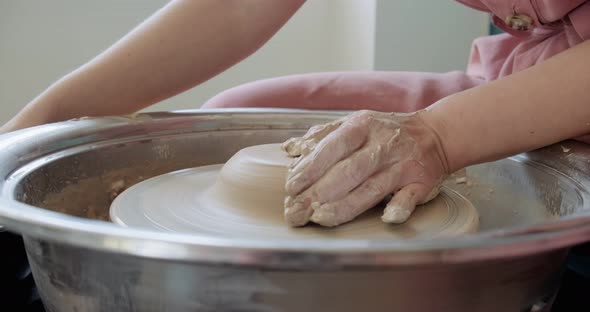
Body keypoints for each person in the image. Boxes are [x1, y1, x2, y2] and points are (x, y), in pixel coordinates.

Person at [1, 0, 590, 311]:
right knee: (238, 113)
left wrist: (439, 137)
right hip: (527, 67)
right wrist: (22, 136)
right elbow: (237, 8)